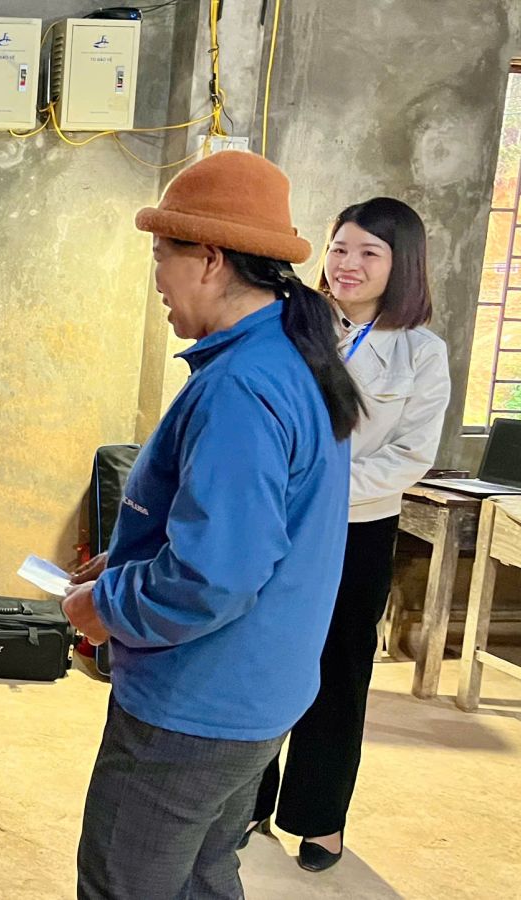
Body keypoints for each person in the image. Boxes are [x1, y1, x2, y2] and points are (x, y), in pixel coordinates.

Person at [62, 151, 363, 900]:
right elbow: (246, 533)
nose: (157, 280)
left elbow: (212, 577)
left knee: (127, 882)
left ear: (209, 258)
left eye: (160, 258)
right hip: (255, 693)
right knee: (200, 873)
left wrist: (107, 606)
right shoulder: (288, 355)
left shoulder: (241, 386)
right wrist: (125, 561)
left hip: (196, 703)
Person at [248, 197, 450, 871]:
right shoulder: (292, 321)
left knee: (338, 671)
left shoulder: (422, 353)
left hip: (358, 530)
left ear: (402, 264)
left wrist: (319, 485)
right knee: (261, 656)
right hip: (276, 520)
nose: (347, 264)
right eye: (339, 248)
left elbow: (410, 457)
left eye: (369, 252)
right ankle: (249, 799)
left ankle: (320, 817)